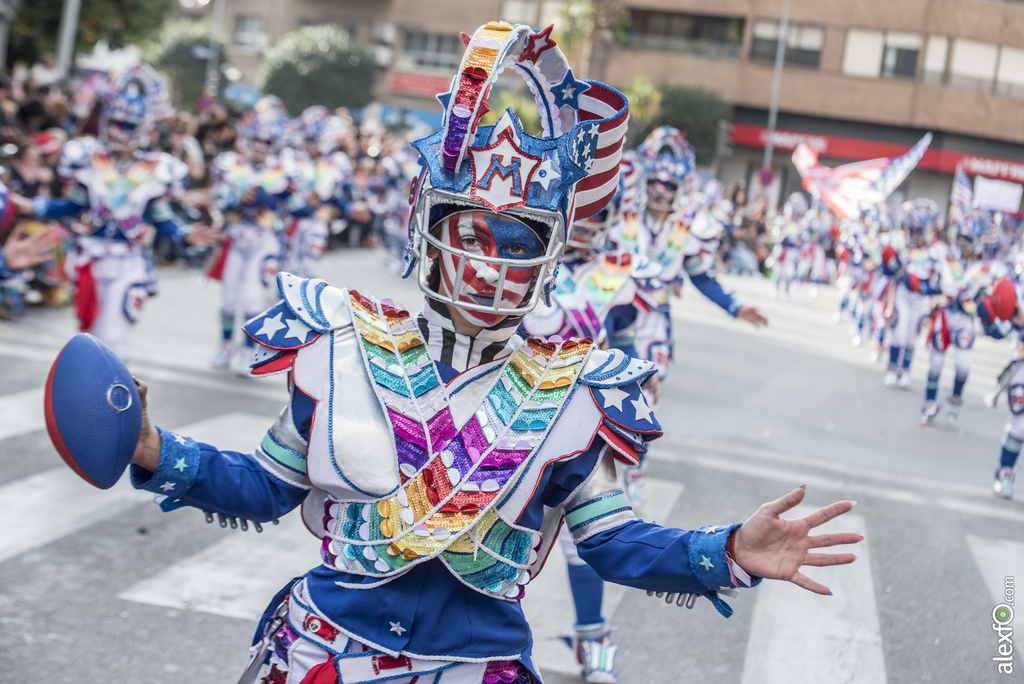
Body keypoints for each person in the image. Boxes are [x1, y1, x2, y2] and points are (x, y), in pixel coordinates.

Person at [125, 22, 860, 684]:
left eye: (517, 246)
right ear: (430, 233)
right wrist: (156, 449)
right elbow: (263, 486)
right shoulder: (340, 344)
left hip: (476, 669)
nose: (490, 266)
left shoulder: (578, 393)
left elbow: (613, 541)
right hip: (324, 654)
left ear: (547, 260)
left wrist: (728, 550)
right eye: (472, 236)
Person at [15, 64, 214, 359]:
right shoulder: (87, 156)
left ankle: (111, 401)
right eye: (118, 122)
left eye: (129, 125)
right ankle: (86, 398)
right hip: (91, 257)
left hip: (129, 259)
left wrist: (185, 236)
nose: (122, 131)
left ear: (144, 126)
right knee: (88, 336)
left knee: (115, 336)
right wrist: (30, 206)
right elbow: (74, 205)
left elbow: (161, 218)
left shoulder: (158, 168)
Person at [207, 95, 309, 374]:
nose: (261, 147)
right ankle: (225, 344)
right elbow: (218, 202)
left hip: (265, 239)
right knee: (228, 297)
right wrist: (239, 199)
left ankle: (247, 349)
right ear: (248, 140)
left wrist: (276, 199)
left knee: (253, 298)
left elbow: (298, 209)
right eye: (258, 141)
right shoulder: (231, 165)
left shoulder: (284, 171)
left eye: (267, 142)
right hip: (236, 235)